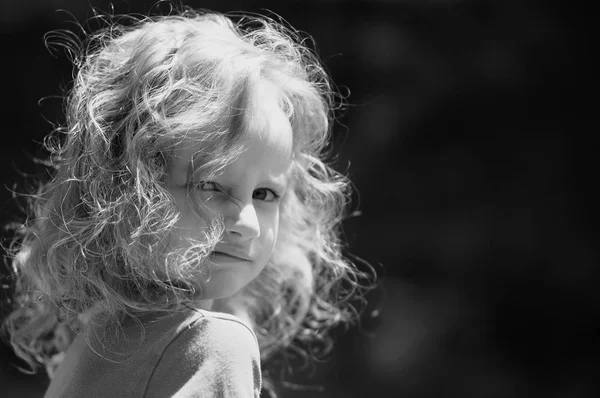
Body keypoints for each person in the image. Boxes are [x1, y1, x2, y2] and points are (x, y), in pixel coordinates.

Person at [2, 6, 372, 398]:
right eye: (211, 185)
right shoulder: (211, 343)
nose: (246, 223)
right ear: (125, 189)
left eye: (265, 194)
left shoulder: (89, 346)